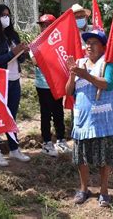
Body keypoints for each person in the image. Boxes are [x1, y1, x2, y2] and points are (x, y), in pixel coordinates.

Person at [65, 29, 113, 207]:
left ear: (103, 46)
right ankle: (84, 188)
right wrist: (73, 74)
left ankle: (104, 191)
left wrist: (86, 75)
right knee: (82, 157)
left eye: (94, 43)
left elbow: (108, 85)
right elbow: (68, 91)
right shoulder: (78, 63)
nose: (89, 46)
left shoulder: (109, 64)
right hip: (83, 119)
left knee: (105, 157)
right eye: (87, 43)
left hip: (104, 120)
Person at [0, 4, 31, 166]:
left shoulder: (12, 35)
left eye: (8, 15)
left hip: (15, 80)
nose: (6, 18)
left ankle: (14, 148)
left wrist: (23, 52)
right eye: (3, 15)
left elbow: (20, 59)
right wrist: (12, 53)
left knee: (12, 116)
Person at [32, 14, 70, 157]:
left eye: (48, 24)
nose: (44, 27)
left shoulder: (59, 41)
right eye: (42, 25)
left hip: (58, 83)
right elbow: (35, 62)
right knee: (46, 113)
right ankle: (47, 142)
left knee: (58, 112)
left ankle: (61, 139)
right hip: (43, 85)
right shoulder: (36, 43)